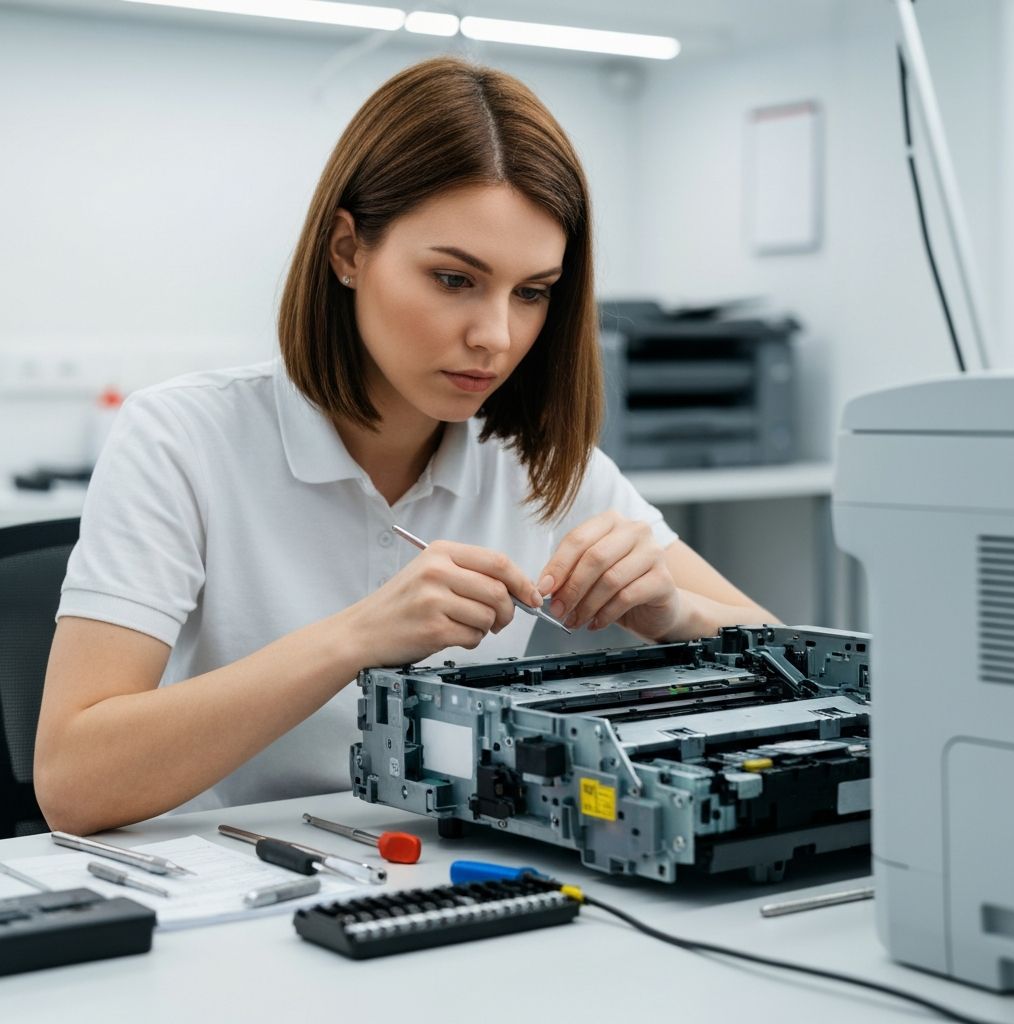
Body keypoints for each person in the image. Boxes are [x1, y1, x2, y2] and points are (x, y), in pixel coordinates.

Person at [35, 56, 774, 836]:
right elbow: (72, 782)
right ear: (348, 251)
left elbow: (795, 663)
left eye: (532, 293)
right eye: (455, 279)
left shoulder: (540, 462)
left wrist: (675, 612)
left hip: (447, 873)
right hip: (225, 888)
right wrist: (355, 638)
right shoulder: (182, 437)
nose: (496, 336)